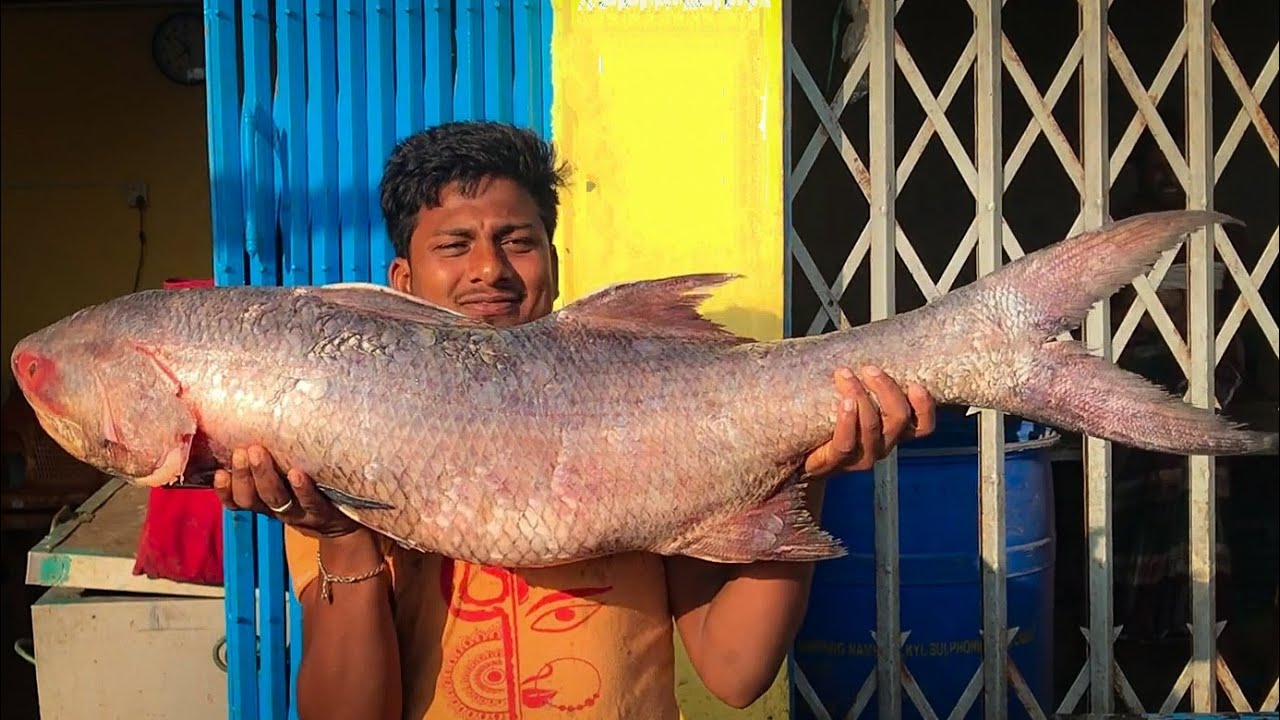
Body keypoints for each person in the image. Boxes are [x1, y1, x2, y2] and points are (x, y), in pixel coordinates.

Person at [213, 120, 937, 720]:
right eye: (454, 245)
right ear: (402, 280)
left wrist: (802, 467)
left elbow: (735, 669)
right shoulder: (332, 444)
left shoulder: (634, 406)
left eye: (517, 240)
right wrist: (341, 539)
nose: (489, 269)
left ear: (553, 261)